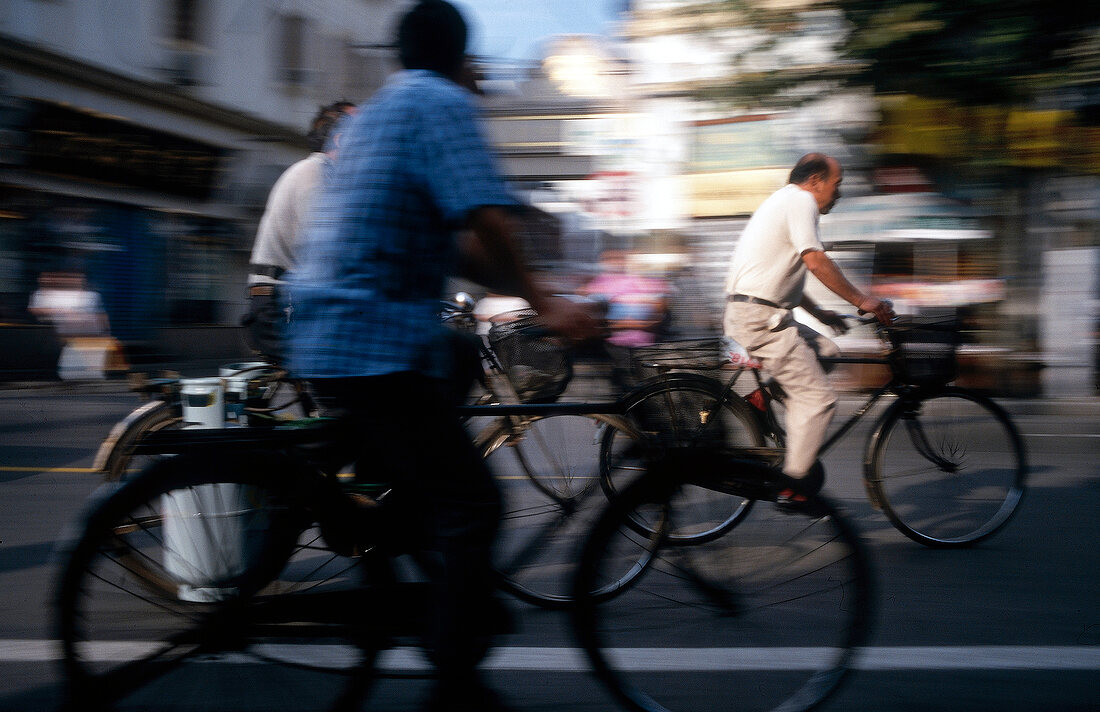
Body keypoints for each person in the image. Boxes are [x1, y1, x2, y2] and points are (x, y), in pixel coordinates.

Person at [285, 2, 597, 709]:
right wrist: (548, 306)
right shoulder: (441, 102)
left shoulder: (375, 114)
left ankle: (393, 539)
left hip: (328, 333)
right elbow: (487, 215)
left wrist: (537, 291)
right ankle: (454, 685)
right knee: (475, 505)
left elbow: (464, 250)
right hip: (371, 341)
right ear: (462, 58)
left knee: (456, 362)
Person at [723, 153, 894, 499]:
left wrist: (823, 315)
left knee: (827, 350)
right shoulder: (801, 201)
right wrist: (863, 300)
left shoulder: (783, 201)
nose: (839, 191)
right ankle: (793, 488)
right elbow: (814, 261)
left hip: (763, 315)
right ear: (815, 180)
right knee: (817, 400)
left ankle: (760, 400)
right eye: (837, 183)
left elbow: (781, 275)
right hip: (760, 322)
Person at [242, 100, 356, 364]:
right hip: (279, 310)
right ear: (340, 140)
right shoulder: (314, 173)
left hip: (289, 305)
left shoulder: (331, 178)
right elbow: (327, 254)